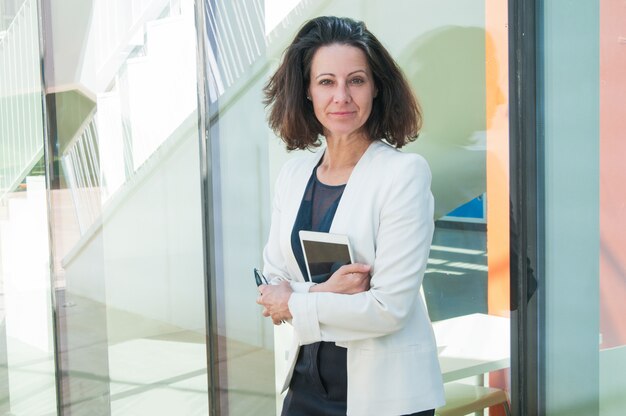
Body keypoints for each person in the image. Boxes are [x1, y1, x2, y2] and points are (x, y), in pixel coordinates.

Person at [257, 16, 444, 416]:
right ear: (306, 91)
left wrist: (295, 300)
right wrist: (323, 293)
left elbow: (388, 308)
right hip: (305, 384)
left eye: (356, 80)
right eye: (326, 81)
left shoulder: (403, 174)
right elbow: (273, 276)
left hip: (384, 394)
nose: (341, 95)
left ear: (376, 88)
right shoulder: (292, 175)